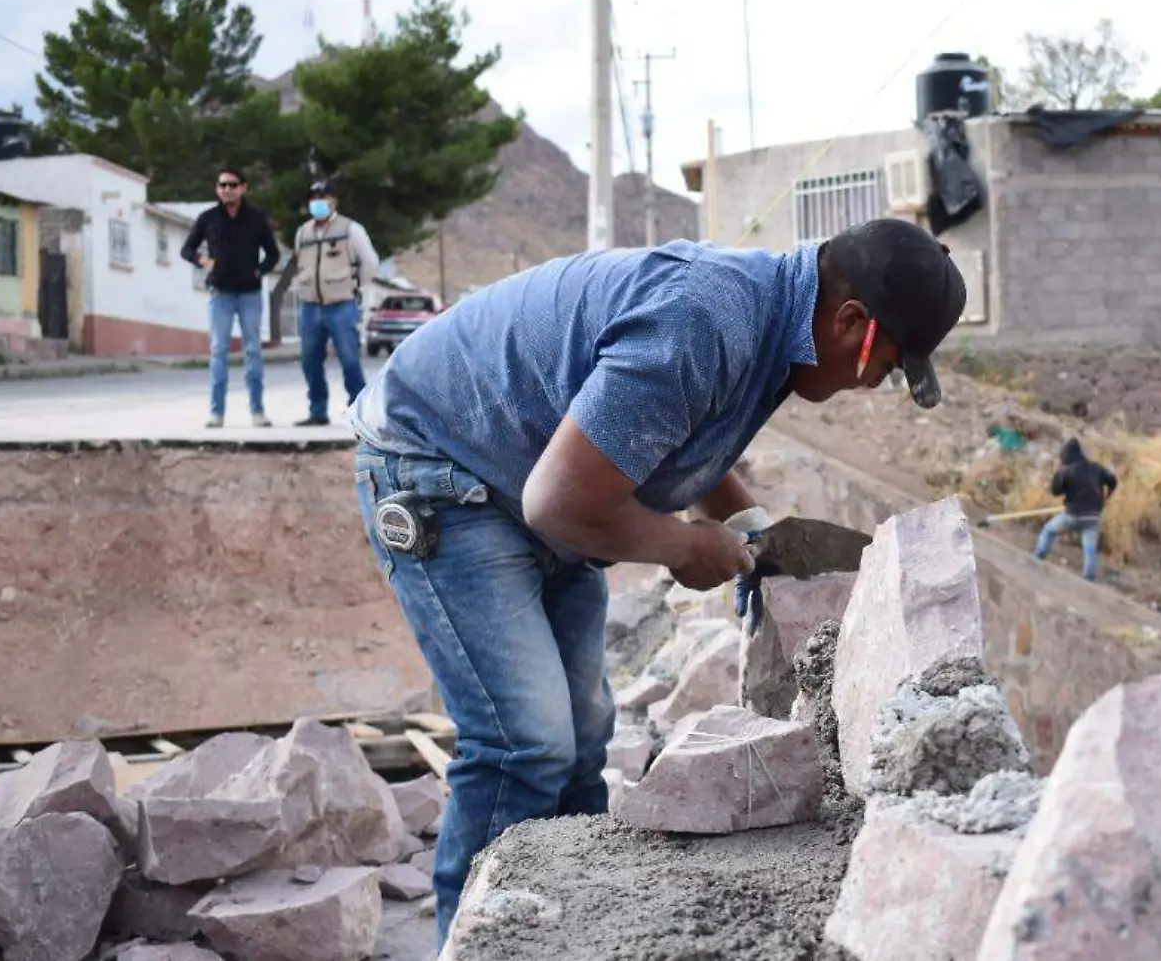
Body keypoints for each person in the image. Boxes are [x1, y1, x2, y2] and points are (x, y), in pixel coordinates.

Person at [347, 217, 966, 945]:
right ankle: (477, 939)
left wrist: (748, 530)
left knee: (582, 737)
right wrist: (680, 546)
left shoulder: (772, 323)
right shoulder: (705, 320)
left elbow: (669, 433)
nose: (875, 385)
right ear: (850, 321)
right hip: (443, 468)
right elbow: (562, 505)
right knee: (527, 742)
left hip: (532, 474)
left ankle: (557, 928)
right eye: (885, 366)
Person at [179, 166, 281, 428]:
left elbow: (273, 254)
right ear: (217, 189)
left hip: (249, 295)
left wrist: (259, 270)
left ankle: (257, 411)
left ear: (243, 188)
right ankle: (216, 413)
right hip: (219, 294)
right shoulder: (208, 218)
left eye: (233, 185)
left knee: (253, 351)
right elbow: (186, 249)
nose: (227, 189)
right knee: (218, 351)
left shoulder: (256, 218)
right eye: (222, 185)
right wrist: (202, 260)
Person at [290, 180, 379, 427]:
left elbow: (370, 263)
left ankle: (360, 413)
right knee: (309, 360)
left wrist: (353, 286)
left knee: (349, 358)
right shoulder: (303, 233)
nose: (317, 201)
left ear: (334, 201)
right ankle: (317, 410)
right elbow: (301, 264)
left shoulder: (351, 229)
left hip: (341, 305)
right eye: (313, 197)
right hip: (310, 305)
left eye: (323, 196)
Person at [1034, 437, 1118, 581]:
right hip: (1093, 516)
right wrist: (1107, 498)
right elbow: (1113, 480)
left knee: (1048, 531)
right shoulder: (1096, 467)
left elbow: (1055, 491)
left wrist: (1057, 473)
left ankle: (1037, 558)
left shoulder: (1067, 471)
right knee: (1089, 548)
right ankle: (1088, 578)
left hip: (1073, 514)